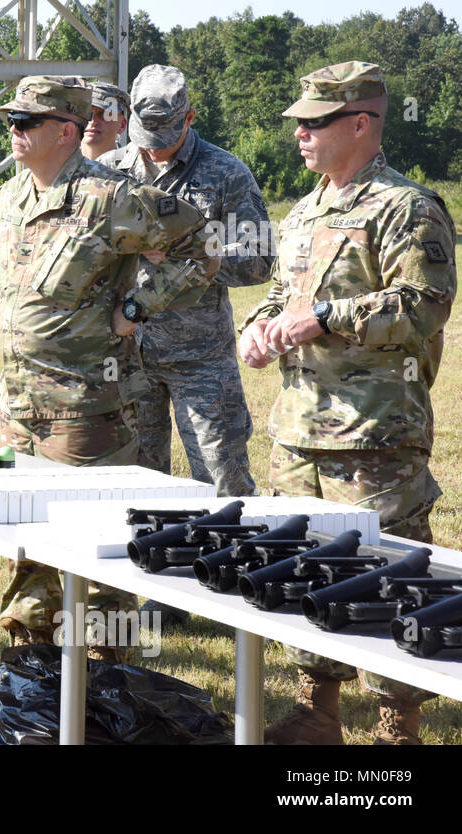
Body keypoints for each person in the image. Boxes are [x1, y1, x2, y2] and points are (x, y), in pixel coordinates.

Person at [238, 61, 456, 745]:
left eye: (314, 121)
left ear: (360, 124)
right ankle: (316, 708)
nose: (299, 133)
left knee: (389, 572)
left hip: (373, 433)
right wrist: (260, 324)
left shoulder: (407, 207)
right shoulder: (303, 211)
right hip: (298, 429)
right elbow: (282, 295)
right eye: (299, 121)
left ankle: (399, 722)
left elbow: (424, 305)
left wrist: (327, 316)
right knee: (306, 565)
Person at [0, 76, 220, 660]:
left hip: (87, 409)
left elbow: (203, 245)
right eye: (11, 122)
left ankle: (107, 679)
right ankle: (34, 665)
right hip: (19, 410)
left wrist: (137, 308)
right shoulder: (9, 198)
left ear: (66, 130)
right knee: (28, 539)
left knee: (97, 548)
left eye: (26, 122)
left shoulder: (111, 196)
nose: (14, 132)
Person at [100, 66, 270, 500]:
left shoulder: (225, 172)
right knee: (132, 486)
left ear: (190, 118)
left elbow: (261, 259)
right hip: (126, 355)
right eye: (144, 132)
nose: (153, 149)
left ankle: (227, 568)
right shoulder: (107, 171)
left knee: (222, 487)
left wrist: (191, 257)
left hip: (200, 360)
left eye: (166, 135)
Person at [80, 81, 128, 161]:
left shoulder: (136, 170)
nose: (92, 121)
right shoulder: (56, 164)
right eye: (86, 113)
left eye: (104, 114)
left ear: (122, 125)